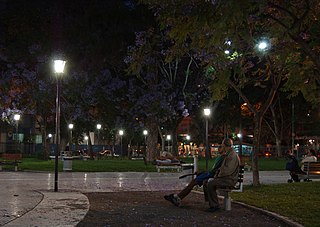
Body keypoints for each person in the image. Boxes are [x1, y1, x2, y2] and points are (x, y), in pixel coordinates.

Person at [164, 138, 236, 209]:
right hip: (211, 174)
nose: (219, 148)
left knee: (196, 182)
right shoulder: (223, 157)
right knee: (196, 182)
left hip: (214, 176)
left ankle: (178, 197)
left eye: (221, 146)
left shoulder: (225, 157)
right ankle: (178, 197)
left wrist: (211, 174)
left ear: (224, 146)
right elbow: (215, 170)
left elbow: (220, 170)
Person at [203, 138, 240, 212]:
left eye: (222, 145)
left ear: (225, 146)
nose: (222, 147)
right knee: (206, 182)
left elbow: (227, 170)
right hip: (226, 178)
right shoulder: (229, 154)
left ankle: (214, 205)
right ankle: (211, 202)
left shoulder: (232, 155)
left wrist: (217, 176)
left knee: (210, 183)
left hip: (229, 179)